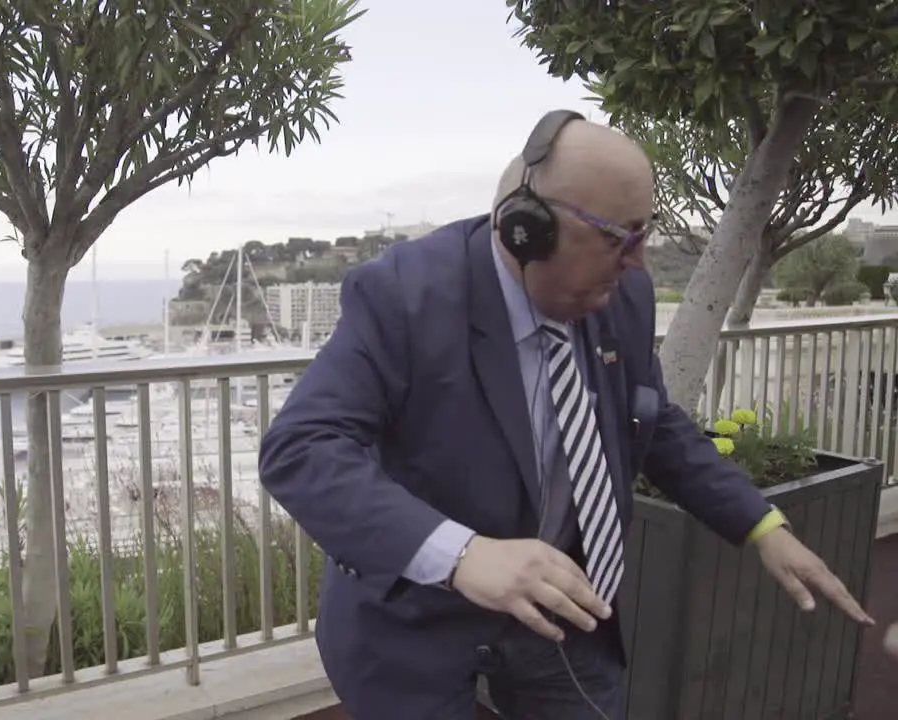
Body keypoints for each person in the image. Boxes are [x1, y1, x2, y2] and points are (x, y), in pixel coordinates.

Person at [257, 111, 874, 720]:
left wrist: (760, 526)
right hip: (417, 622)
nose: (638, 263)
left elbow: (651, 421)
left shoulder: (620, 295)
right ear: (527, 231)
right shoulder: (406, 293)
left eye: (645, 233)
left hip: (562, 614)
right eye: (618, 238)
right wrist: (465, 555)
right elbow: (302, 449)